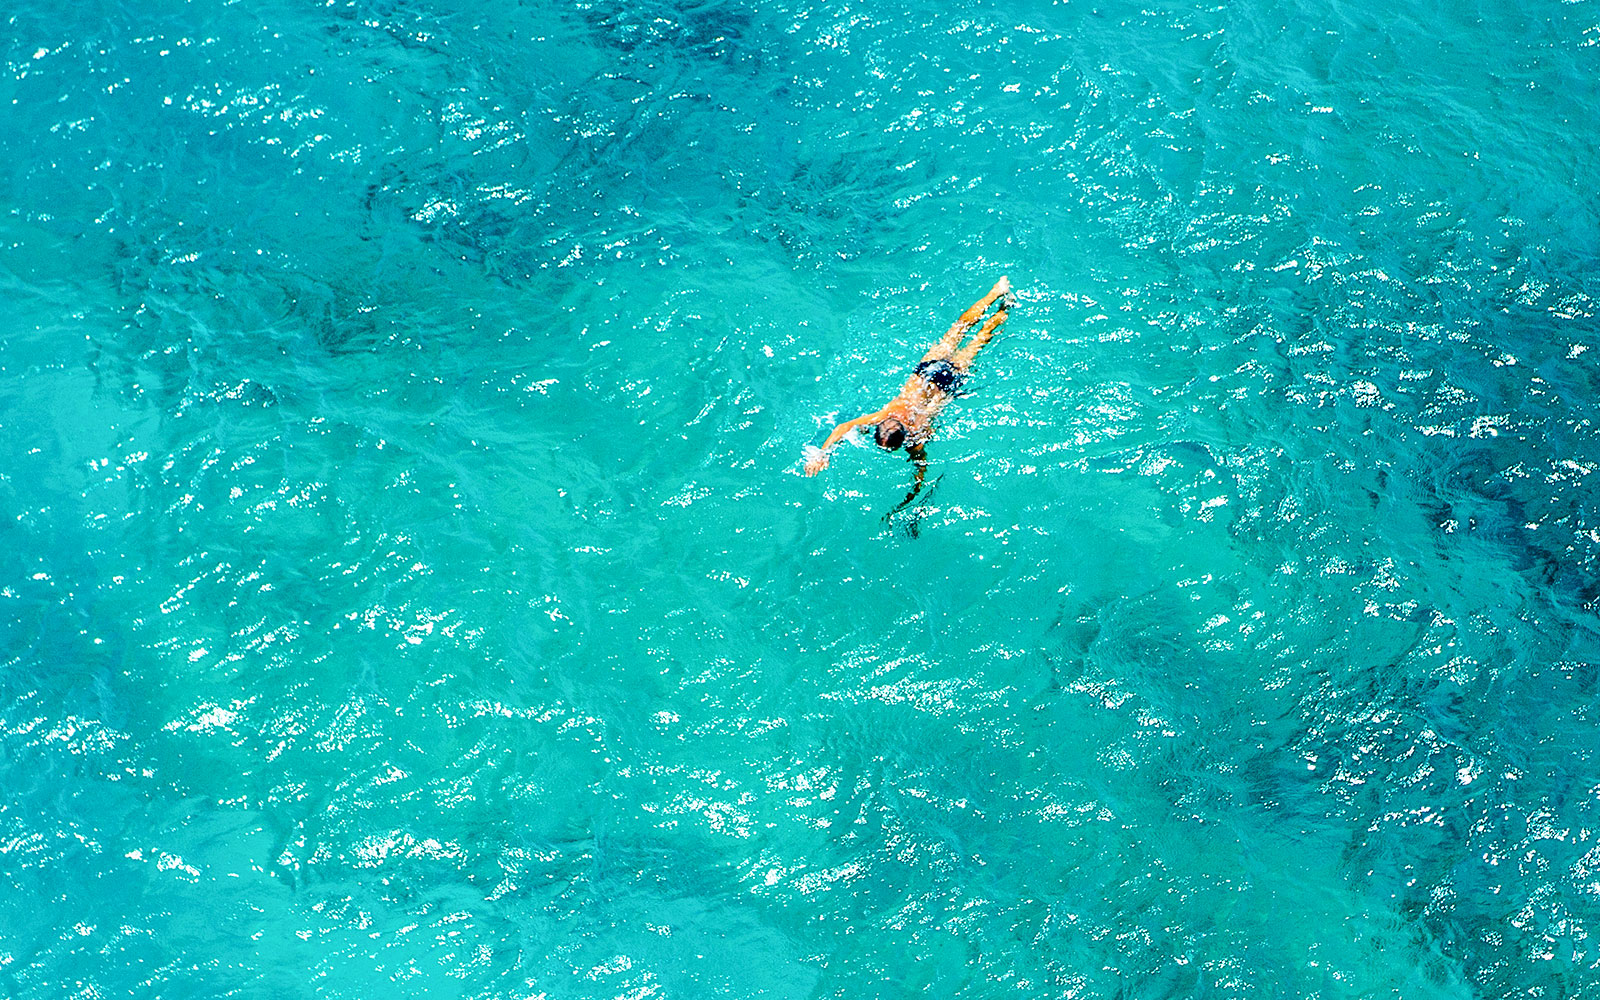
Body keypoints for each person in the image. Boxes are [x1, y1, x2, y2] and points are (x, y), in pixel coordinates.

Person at [804, 276, 1013, 492]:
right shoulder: (883, 416)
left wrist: (917, 488)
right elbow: (843, 428)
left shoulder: (915, 437)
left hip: (947, 382)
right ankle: (997, 291)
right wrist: (821, 452)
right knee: (960, 327)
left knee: (980, 340)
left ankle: (1005, 308)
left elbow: (921, 465)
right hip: (926, 371)